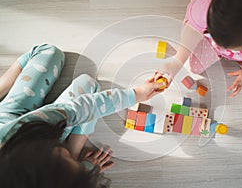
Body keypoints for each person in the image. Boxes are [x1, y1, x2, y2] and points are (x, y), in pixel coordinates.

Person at [0, 44, 163, 187]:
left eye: (65, 157)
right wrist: (86, 168)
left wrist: (136, 94)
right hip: (33, 138)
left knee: (49, 52)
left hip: (14, 123)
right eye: (72, 161)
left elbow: (83, 107)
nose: (66, 154)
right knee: (88, 85)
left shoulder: (25, 129)